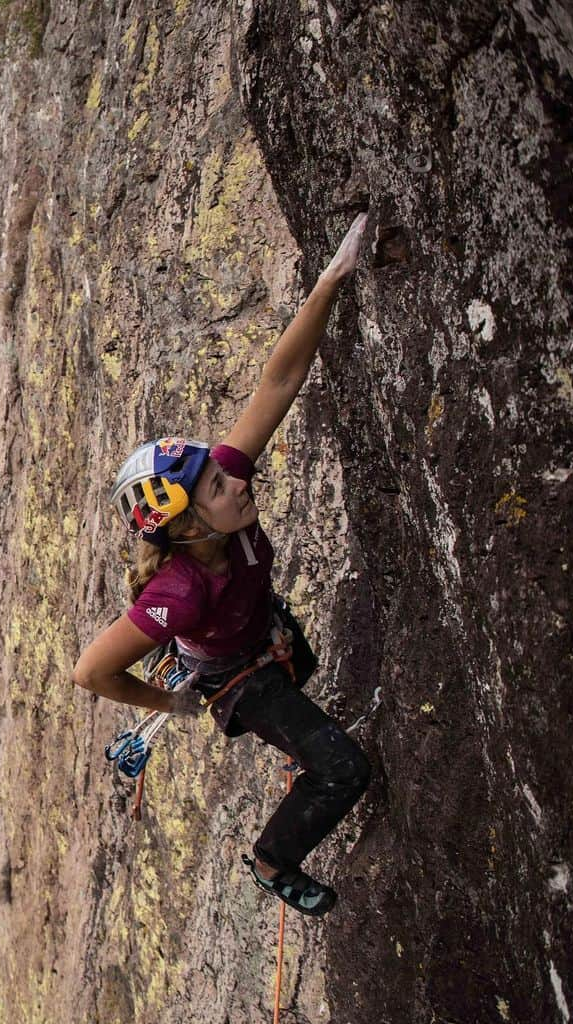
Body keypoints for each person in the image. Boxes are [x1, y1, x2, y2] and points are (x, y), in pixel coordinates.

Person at [73, 215, 372, 917]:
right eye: (215, 487)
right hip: (236, 681)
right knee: (344, 768)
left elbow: (278, 381)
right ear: (184, 525)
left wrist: (330, 279)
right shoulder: (179, 592)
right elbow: (91, 670)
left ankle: (290, 736)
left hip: (262, 634)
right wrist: (171, 704)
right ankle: (274, 860)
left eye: (222, 474)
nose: (237, 483)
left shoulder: (220, 493)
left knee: (307, 663)